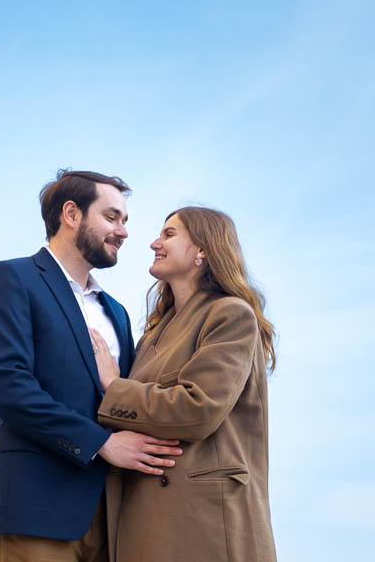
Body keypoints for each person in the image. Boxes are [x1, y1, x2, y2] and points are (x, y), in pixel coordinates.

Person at [0, 170, 183, 561]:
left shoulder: (118, 314)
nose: (123, 232)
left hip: (115, 520)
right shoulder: (13, 278)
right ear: (71, 214)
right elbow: (7, 384)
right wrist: (101, 443)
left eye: (125, 221)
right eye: (111, 217)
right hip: (37, 511)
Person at [90, 206, 277, 562]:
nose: (153, 243)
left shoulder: (231, 314)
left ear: (202, 251)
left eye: (169, 235)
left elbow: (198, 408)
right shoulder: (153, 335)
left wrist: (114, 386)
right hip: (147, 520)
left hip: (203, 526)